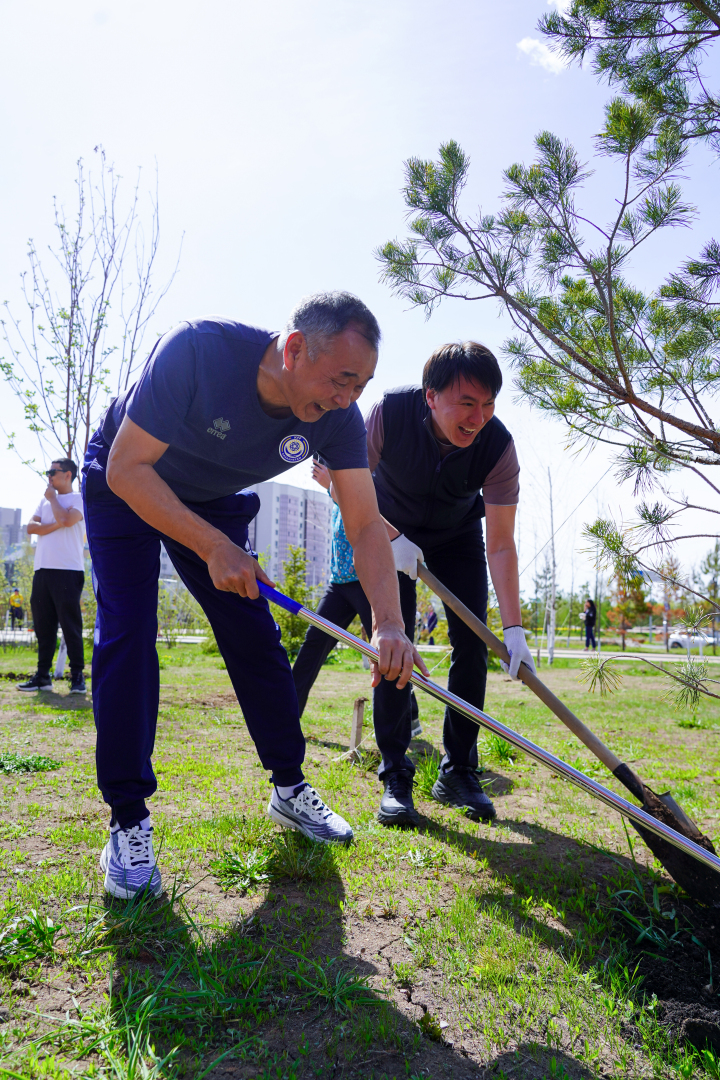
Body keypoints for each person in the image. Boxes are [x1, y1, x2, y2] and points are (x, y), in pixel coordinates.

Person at [82, 292, 427, 900]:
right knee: (129, 633)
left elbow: (365, 524)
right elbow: (127, 468)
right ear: (294, 349)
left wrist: (390, 623)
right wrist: (214, 547)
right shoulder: (196, 351)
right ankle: (128, 819)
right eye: (341, 379)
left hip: (213, 499)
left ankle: (290, 787)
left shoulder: (338, 418)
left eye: (361, 385)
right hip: (127, 483)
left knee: (254, 634)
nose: (347, 399)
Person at [366, 341, 536, 827]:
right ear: (431, 396)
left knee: (472, 643)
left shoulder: (497, 447)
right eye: (466, 403)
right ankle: (396, 772)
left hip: (457, 536)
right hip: (386, 528)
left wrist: (514, 629)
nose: (478, 417)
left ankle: (459, 770)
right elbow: (343, 484)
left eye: (488, 404)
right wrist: (390, 537)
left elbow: (500, 544)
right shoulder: (389, 414)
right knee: (395, 644)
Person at [292, 459, 422, 738]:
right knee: (313, 645)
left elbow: (365, 515)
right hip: (338, 583)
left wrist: (331, 485)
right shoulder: (337, 486)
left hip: (368, 582)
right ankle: (287, 718)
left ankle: (407, 717)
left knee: (386, 654)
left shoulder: (365, 479)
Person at [18, 459, 86, 695]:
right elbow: (30, 528)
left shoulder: (78, 499)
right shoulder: (45, 501)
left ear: (67, 475)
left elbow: (67, 520)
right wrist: (56, 523)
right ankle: (42, 676)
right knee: (43, 626)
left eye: (52, 472)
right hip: (42, 570)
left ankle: (77, 677)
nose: (48, 476)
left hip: (68, 570)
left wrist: (54, 502)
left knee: (70, 625)